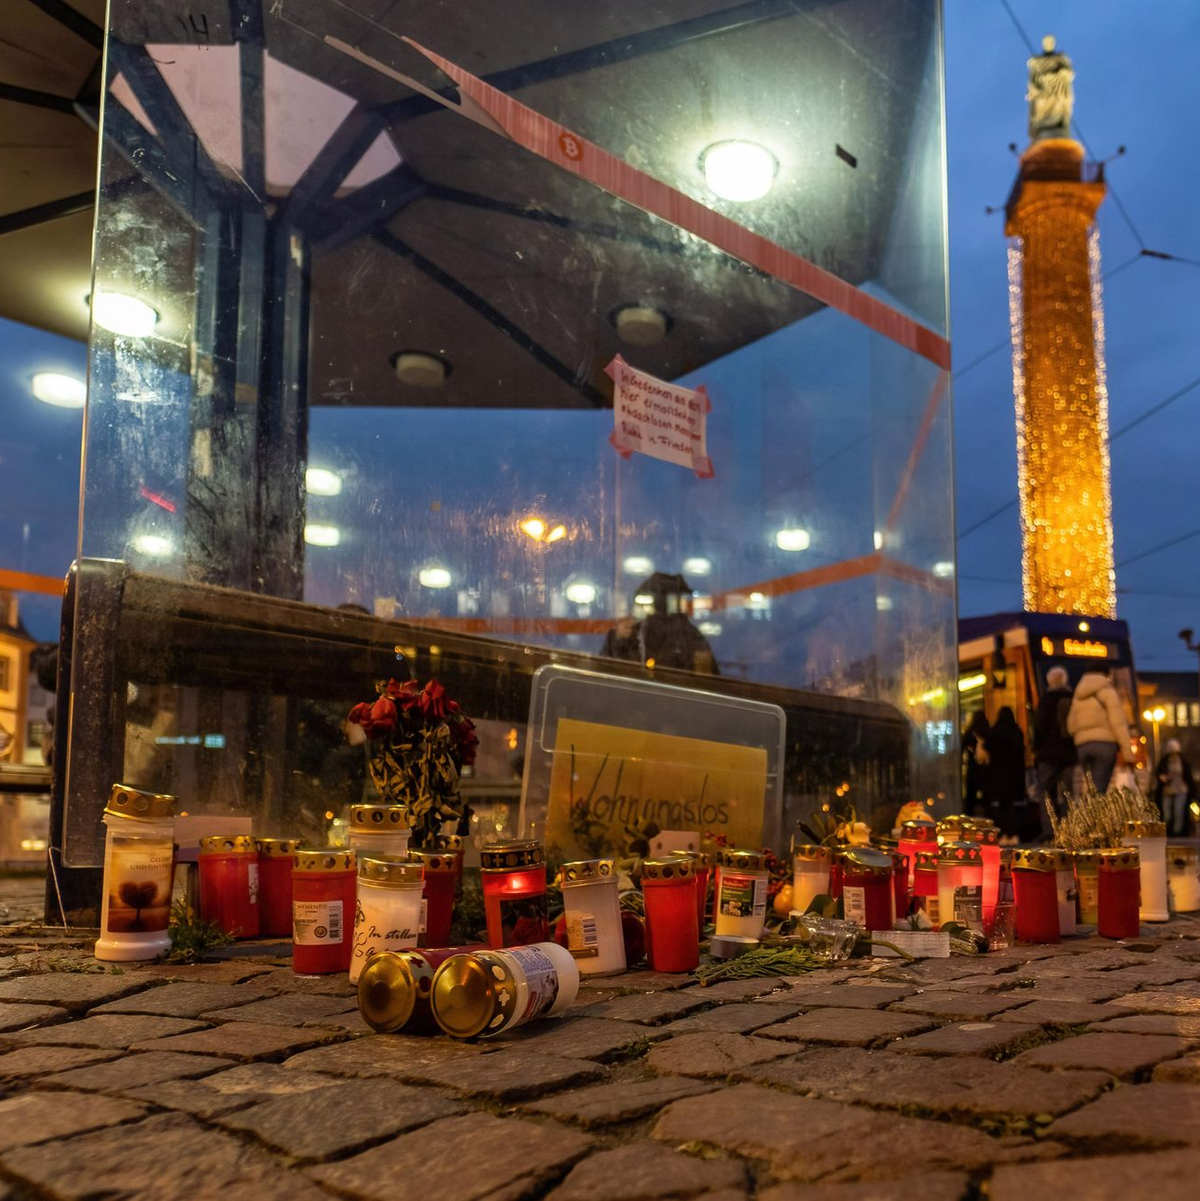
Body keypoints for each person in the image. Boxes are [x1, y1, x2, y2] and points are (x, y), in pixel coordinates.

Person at [601, 572, 717, 674]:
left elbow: (704, 677)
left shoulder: (690, 636)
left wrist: (618, 639)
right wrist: (618, 639)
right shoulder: (632, 632)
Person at [1067, 670, 1130, 793]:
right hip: (1105, 746)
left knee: (1089, 786)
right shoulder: (1109, 693)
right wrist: (1128, 754)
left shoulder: (1078, 696)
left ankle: (1087, 803)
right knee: (1100, 787)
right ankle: (1096, 803)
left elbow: (1071, 726)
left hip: (1083, 747)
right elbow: (1118, 724)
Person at [1032, 665, 1077, 835]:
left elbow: (1040, 726)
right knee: (1067, 794)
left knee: (1046, 793)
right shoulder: (1073, 698)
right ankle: (1068, 829)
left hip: (1048, 755)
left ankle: (1049, 830)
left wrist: (1036, 748)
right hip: (1069, 754)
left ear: (1049, 681)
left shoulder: (1046, 700)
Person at [984, 707, 1029, 838]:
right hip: (1014, 775)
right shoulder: (1017, 732)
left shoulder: (995, 732)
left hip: (999, 775)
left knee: (1002, 805)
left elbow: (988, 748)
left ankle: (1002, 831)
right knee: (1012, 805)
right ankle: (1013, 831)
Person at [1154, 738, 1196, 837]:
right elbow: (1158, 773)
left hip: (1181, 789)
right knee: (1167, 813)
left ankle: (1178, 831)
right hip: (1167, 790)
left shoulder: (1183, 762)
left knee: (1179, 812)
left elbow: (1188, 776)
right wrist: (1163, 778)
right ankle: (1167, 830)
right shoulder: (1164, 762)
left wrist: (1192, 790)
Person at [961, 711, 991, 816]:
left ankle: (969, 818)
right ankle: (987, 817)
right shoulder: (989, 732)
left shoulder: (970, 732)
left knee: (970, 797)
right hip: (985, 769)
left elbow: (962, 745)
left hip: (973, 768)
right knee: (986, 797)